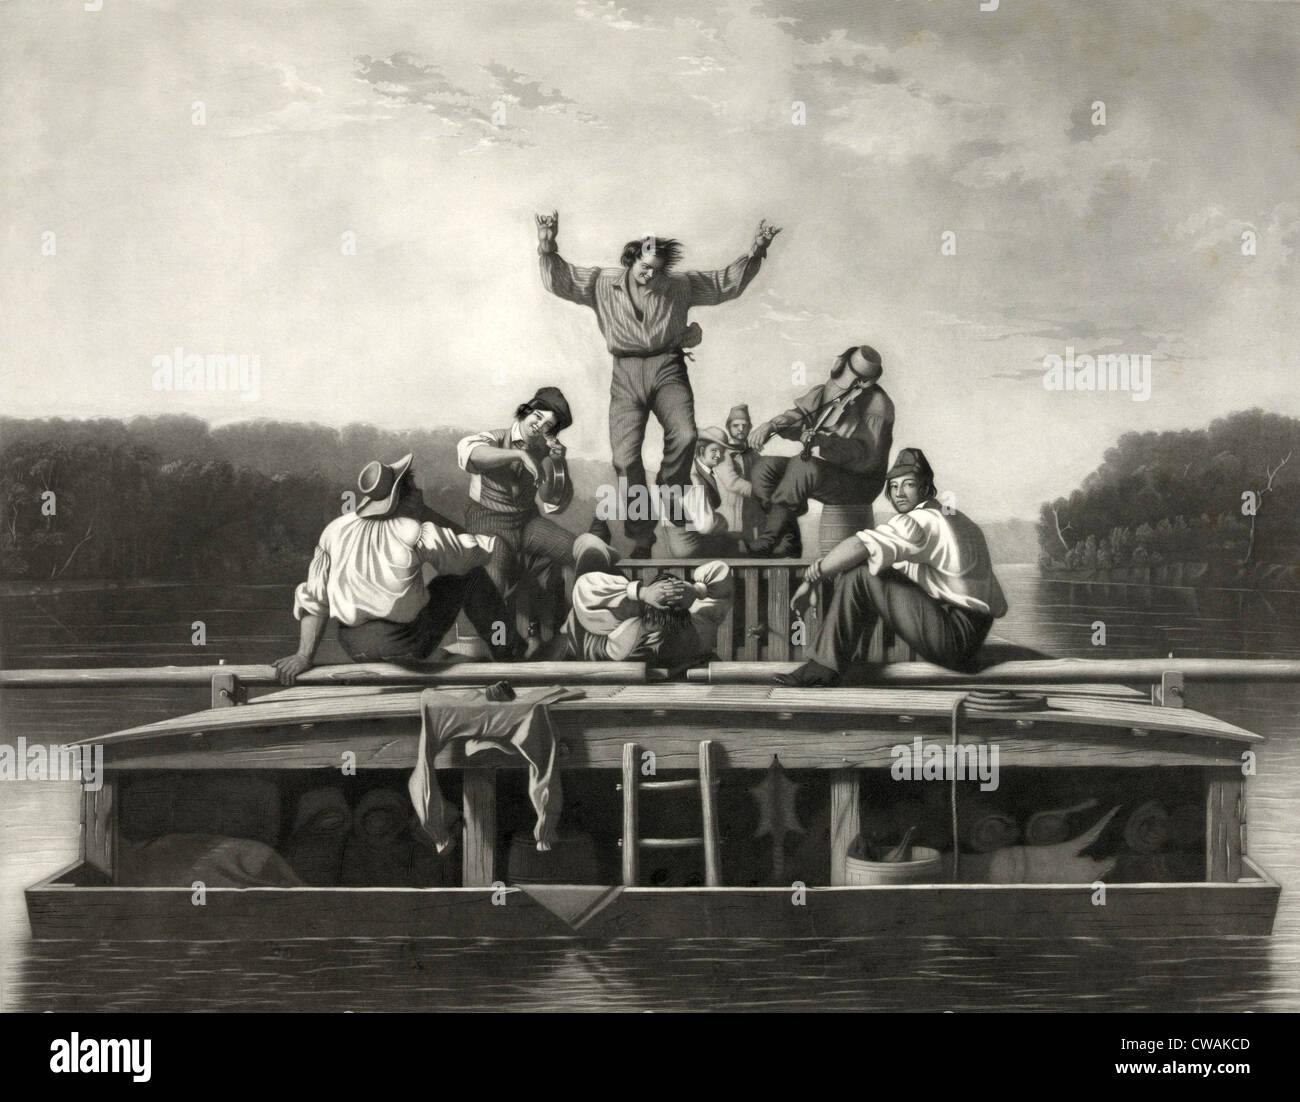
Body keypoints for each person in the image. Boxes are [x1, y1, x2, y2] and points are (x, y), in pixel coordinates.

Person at [536, 210, 781, 557]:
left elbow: (724, 283)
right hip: (626, 373)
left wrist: (756, 252)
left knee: (685, 435)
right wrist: (547, 247)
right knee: (623, 459)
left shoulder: (679, 285)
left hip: (668, 367)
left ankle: (670, 486)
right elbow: (560, 280)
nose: (650, 274)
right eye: (644, 266)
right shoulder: (602, 283)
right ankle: (642, 537)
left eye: (656, 269)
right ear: (632, 259)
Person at [274, 454, 520, 685]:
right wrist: (425, 513)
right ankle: (510, 656)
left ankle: (456, 658)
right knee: (471, 576)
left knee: (437, 592)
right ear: (405, 495)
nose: (419, 491)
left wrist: (304, 655)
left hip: (353, 644)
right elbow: (474, 554)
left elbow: (316, 598)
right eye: (413, 487)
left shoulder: (334, 530)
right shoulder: (412, 530)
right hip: (403, 643)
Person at [775, 448, 1008, 686]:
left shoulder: (920, 521)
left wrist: (813, 577)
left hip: (953, 637)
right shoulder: (955, 518)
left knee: (861, 573)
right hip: (973, 634)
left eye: (908, 484)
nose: (899, 493)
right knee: (873, 570)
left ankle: (822, 668)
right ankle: (834, 661)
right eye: (894, 487)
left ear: (926, 487)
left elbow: (859, 544)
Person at [457, 387, 576, 654]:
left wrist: (559, 465)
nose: (539, 425)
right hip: (488, 521)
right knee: (493, 580)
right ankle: (494, 651)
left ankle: (567, 633)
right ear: (525, 411)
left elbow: (553, 503)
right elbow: (469, 453)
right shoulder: (496, 438)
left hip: (525, 522)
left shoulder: (545, 450)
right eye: (537, 416)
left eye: (547, 425)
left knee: (576, 549)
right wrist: (518, 454)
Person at [746, 345, 895, 556]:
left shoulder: (878, 405)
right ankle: (788, 540)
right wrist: (772, 425)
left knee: (802, 466)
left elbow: (865, 456)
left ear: (863, 382)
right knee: (764, 467)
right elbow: (799, 415)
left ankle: (769, 539)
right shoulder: (830, 389)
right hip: (831, 473)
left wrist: (823, 441)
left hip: (860, 482)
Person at [560, 534, 734, 670]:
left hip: (586, 634)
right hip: (607, 610)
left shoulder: (628, 633)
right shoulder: (697, 631)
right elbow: (722, 574)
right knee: (591, 547)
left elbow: (584, 589)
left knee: (590, 545)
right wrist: (697, 590)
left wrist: (643, 593)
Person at [660, 426, 746, 558]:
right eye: (714, 450)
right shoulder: (695, 478)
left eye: (721, 452)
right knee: (736, 547)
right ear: (701, 450)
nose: (719, 456)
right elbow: (705, 526)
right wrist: (722, 523)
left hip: (679, 541)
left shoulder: (694, 471)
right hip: (688, 545)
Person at [713, 403, 766, 546]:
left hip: (751, 511)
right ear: (728, 427)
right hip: (730, 513)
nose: (741, 429)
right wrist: (762, 491)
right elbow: (732, 483)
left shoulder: (753, 453)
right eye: (736, 425)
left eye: (745, 425)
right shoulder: (723, 452)